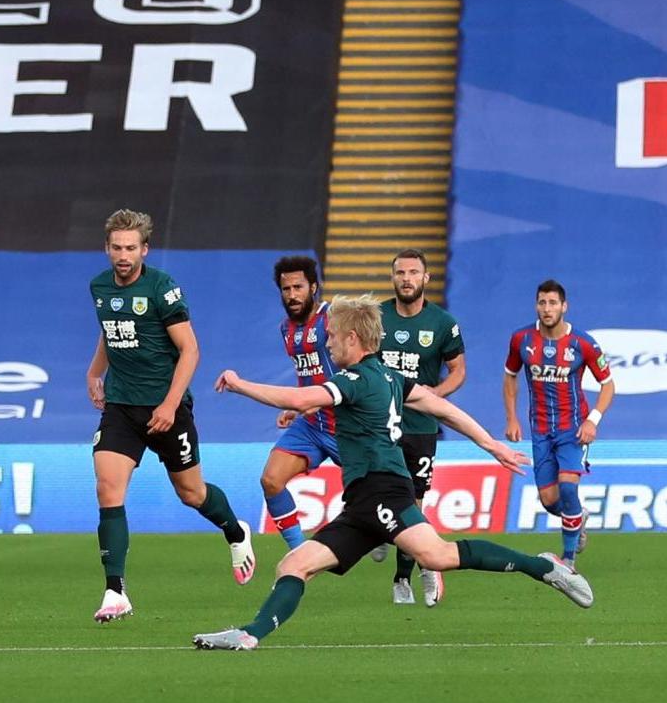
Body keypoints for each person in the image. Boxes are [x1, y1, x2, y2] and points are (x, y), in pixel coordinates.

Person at [193, 294, 592, 652]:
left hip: (384, 490)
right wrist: (491, 445)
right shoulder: (389, 377)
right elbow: (441, 407)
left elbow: (301, 396)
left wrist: (239, 383)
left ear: (352, 339)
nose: (327, 343)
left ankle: (545, 567)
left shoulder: (355, 378)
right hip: (362, 503)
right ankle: (249, 635)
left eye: (331, 336)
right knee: (294, 565)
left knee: (437, 554)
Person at [86, 208, 254, 624]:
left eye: (131, 248)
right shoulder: (100, 286)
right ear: (107, 248)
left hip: (167, 408)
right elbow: (112, 330)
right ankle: (115, 590)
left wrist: (169, 404)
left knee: (191, 493)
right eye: (116, 247)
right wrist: (95, 372)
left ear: (145, 249)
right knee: (108, 487)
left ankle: (236, 531)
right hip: (122, 406)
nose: (123, 255)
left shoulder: (163, 289)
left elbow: (191, 350)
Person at [504, 279, 615, 570]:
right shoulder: (521, 340)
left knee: (568, 488)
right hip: (540, 430)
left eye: (553, 303)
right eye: (542, 302)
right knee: (549, 500)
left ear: (564, 306)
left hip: (573, 430)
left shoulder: (583, 343)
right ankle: (579, 516)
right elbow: (509, 376)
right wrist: (512, 418)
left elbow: (608, 385)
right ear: (536, 305)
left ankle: (568, 560)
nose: (547, 308)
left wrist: (593, 420)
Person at [378, 247, 465, 606]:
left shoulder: (442, 323)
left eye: (414, 273)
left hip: (421, 428)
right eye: (401, 273)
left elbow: (459, 370)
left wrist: (437, 394)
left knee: (412, 504)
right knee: (382, 494)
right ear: (393, 277)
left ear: (426, 278)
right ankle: (383, 536)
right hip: (382, 425)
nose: (407, 279)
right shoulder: (377, 316)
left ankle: (407, 576)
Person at [260, 256, 340, 551]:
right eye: (286, 289)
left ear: (314, 287)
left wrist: (323, 398)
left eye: (298, 287)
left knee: (381, 497)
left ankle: (427, 559)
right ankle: (299, 553)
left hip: (349, 426)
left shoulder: (334, 318)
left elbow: (356, 366)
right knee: (271, 480)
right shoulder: (286, 329)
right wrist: (297, 405)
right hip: (312, 424)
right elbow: (310, 373)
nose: (292, 295)